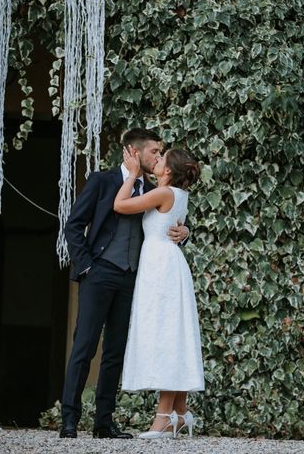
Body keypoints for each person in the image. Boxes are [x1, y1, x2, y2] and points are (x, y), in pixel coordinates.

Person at [59, 128, 190, 439]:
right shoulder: (103, 181)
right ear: (133, 151)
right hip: (99, 272)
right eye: (154, 152)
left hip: (133, 278)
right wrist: (87, 266)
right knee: (85, 346)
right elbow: (74, 225)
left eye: (161, 153)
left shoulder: (156, 187)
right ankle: (69, 420)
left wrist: (185, 234)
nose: (159, 157)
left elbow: (173, 220)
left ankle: (104, 422)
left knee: (115, 351)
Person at [114, 146, 204, 439]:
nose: (157, 159)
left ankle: (164, 417)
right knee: (172, 334)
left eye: (162, 158)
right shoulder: (173, 194)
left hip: (161, 268)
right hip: (166, 263)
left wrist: (132, 176)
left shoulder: (163, 193)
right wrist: (186, 232)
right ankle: (178, 413)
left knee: (166, 336)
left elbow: (121, 205)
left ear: (168, 171)